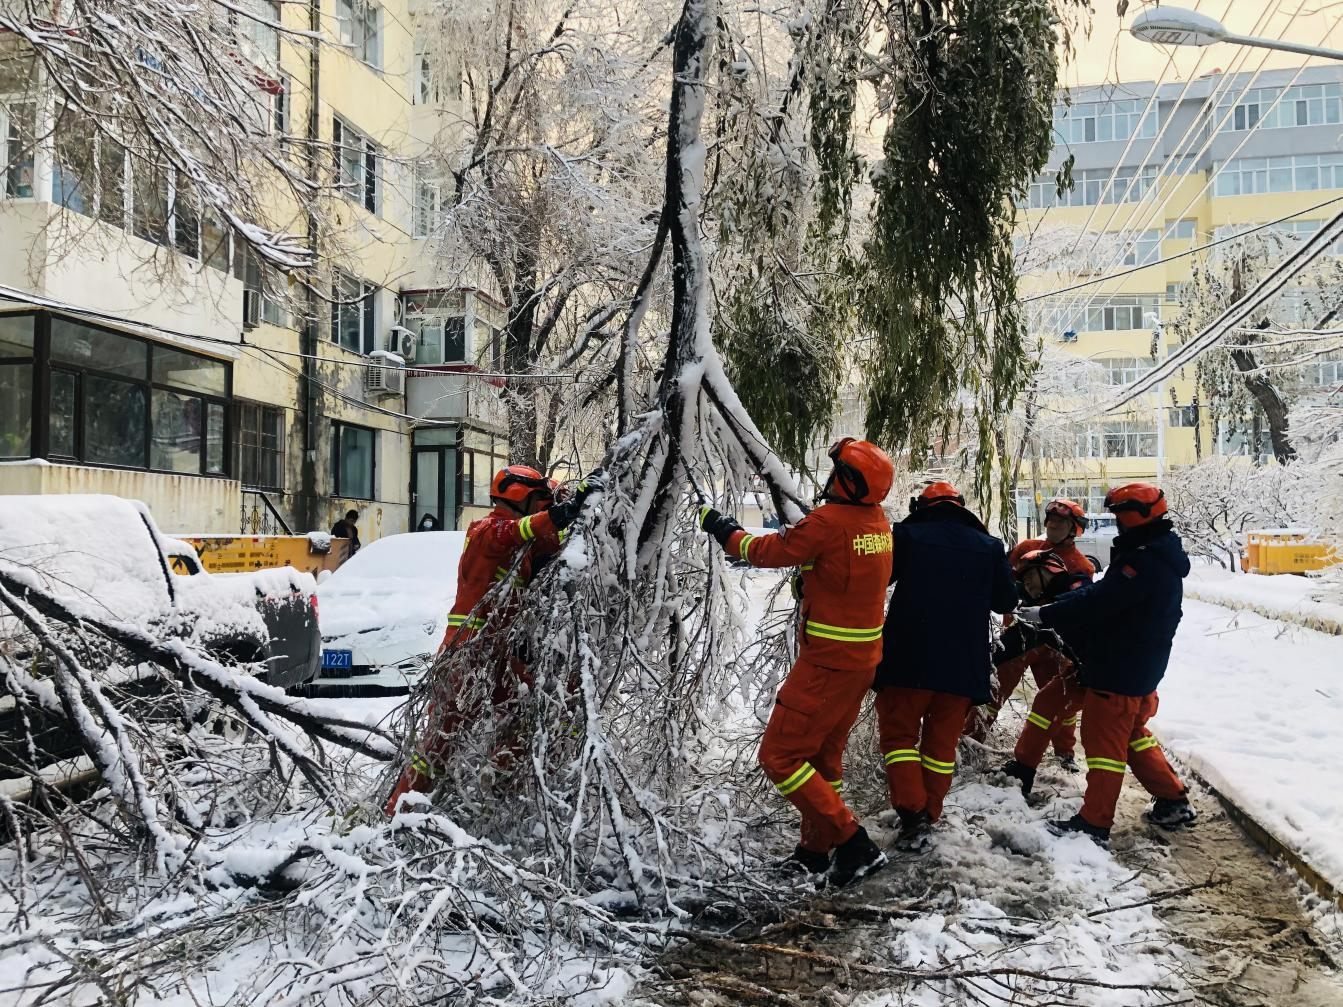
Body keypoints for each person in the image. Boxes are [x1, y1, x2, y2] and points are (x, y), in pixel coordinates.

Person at [697, 438, 895, 888]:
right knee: (824, 760)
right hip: (860, 662)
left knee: (780, 756)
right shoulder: (876, 522)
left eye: (836, 472)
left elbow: (766, 553)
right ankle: (813, 853)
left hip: (826, 663)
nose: (828, 481)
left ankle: (853, 843)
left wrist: (723, 528)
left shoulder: (830, 521)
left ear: (848, 481)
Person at [383, 464, 603, 815]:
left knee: (524, 713)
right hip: (467, 654)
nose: (543, 509)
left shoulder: (524, 544)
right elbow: (524, 528)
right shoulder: (488, 530)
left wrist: (583, 495)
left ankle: (496, 796)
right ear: (520, 499)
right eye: (539, 501)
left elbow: (549, 536)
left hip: (500, 655)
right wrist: (563, 510)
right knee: (441, 739)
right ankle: (398, 814)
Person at [1017, 483, 1196, 848]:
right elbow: (1101, 595)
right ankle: (1173, 800)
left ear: (1132, 517)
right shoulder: (1152, 554)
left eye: (1118, 516)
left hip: (1119, 669)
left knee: (1103, 745)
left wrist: (1047, 613)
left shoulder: (1143, 561)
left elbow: (1101, 602)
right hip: (1129, 664)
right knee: (1127, 734)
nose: (1115, 523)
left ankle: (1095, 822)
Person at [873, 482, 1018, 851]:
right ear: (960, 507)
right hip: (962, 666)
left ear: (923, 506)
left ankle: (913, 814)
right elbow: (1006, 599)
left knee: (899, 739)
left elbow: (877, 581)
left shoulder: (907, 535)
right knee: (940, 746)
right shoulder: (988, 546)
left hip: (909, 659)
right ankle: (928, 816)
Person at [967, 499, 1094, 746]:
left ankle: (1064, 750)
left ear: (1074, 529)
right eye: (1051, 520)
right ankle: (972, 738)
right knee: (995, 689)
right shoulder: (1027, 548)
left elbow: (1076, 606)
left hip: (1054, 642)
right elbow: (1003, 578)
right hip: (1018, 632)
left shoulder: (1081, 566)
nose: (1053, 525)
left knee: (1058, 695)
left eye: (1061, 521)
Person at [993, 550, 1090, 795]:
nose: (1026, 588)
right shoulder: (1043, 608)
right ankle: (1023, 768)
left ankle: (1172, 797)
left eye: (1029, 581)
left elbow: (1080, 604)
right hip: (1086, 669)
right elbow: (1016, 642)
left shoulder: (1078, 588)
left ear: (1048, 571)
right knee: (1047, 702)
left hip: (1114, 675)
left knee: (1122, 739)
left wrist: (1046, 613)